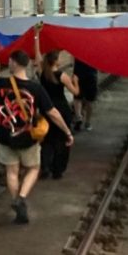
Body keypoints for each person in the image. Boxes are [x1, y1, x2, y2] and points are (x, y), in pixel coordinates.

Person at [0, 50, 74, 224]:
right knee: (33, 169)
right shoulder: (36, 88)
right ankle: (21, 197)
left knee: (12, 172)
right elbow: (53, 113)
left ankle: (17, 202)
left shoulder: (0, 83)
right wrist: (67, 132)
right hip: (28, 137)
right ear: (27, 64)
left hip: (5, 137)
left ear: (13, 63)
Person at [34, 26, 79, 179]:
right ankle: (57, 170)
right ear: (56, 60)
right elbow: (75, 93)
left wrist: (36, 35)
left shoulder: (42, 72)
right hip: (61, 109)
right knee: (62, 139)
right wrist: (76, 82)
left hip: (46, 109)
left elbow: (37, 54)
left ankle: (45, 166)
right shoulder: (62, 76)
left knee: (46, 140)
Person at [72, 59, 98, 131]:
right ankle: (88, 122)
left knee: (77, 97)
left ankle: (78, 117)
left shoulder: (78, 48)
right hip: (92, 74)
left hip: (78, 73)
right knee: (90, 100)